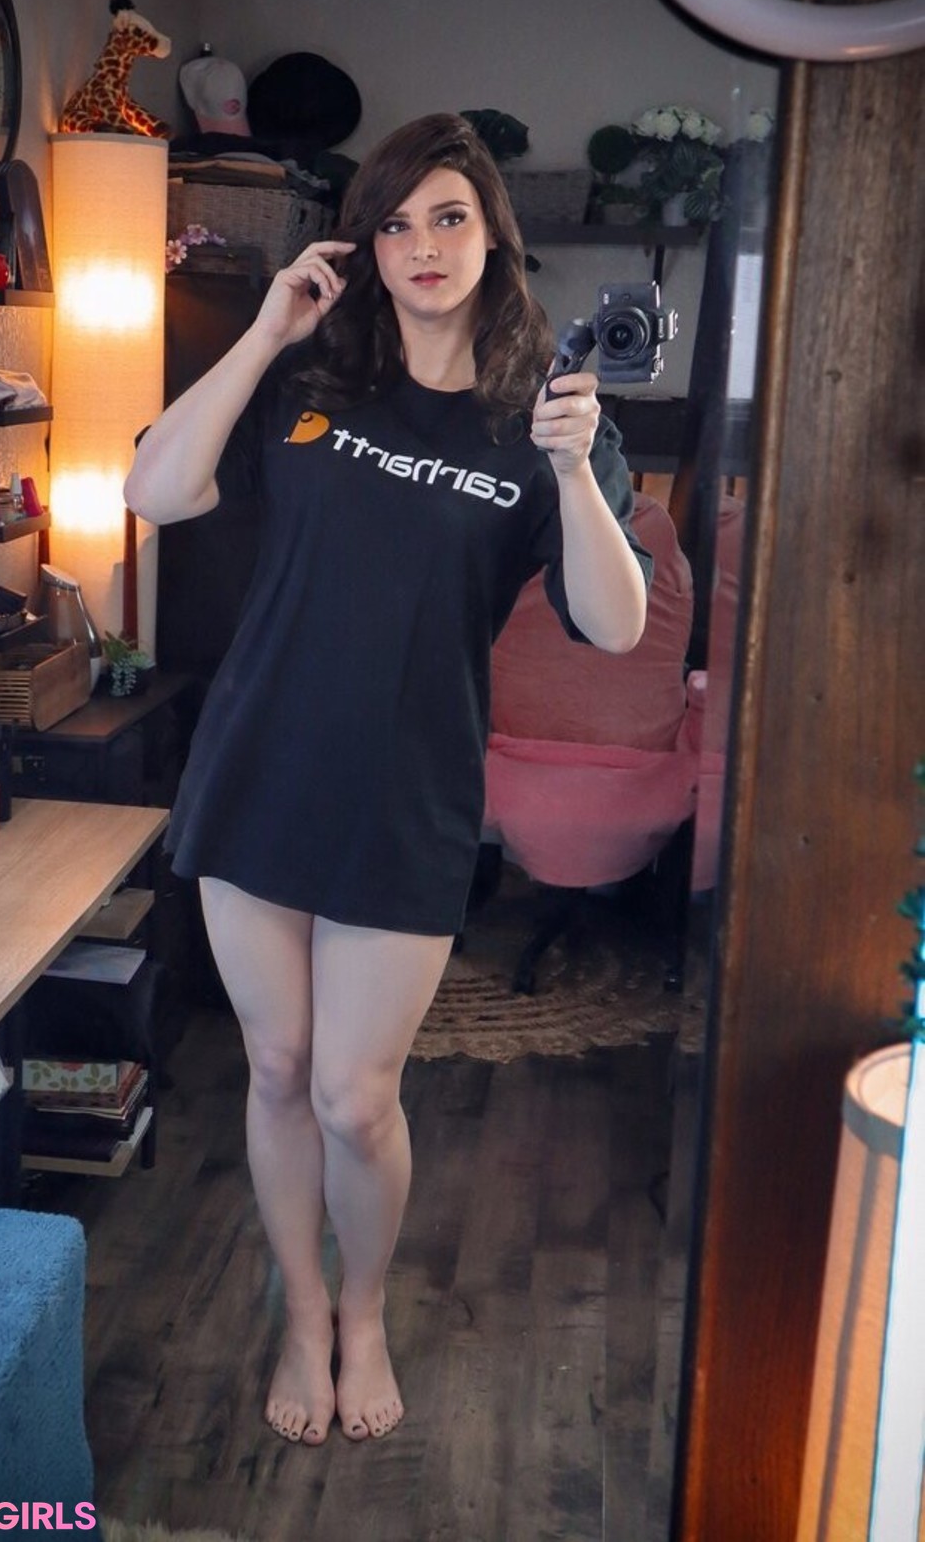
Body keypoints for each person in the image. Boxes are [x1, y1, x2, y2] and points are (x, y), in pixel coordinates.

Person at [124, 112, 650, 1446]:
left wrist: (575, 471)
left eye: (450, 217)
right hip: (259, 765)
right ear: (364, 244)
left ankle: (366, 1307)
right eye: (398, 221)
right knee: (278, 1064)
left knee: (356, 1098)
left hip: (409, 791)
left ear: (493, 237)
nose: (424, 245)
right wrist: (264, 333)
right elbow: (158, 489)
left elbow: (616, 624)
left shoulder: (541, 418)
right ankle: (303, 1315)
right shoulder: (313, 382)